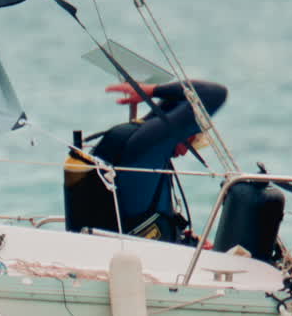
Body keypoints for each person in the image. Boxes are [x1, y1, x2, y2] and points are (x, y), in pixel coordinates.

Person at [85, 79, 227, 242]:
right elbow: (215, 93)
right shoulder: (147, 145)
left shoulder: (135, 142)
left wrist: (188, 241)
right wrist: (153, 90)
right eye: (196, 137)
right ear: (178, 127)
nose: (189, 149)